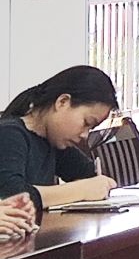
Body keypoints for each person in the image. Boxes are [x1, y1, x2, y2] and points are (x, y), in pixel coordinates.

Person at [1, 65, 118, 219]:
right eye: (86, 123)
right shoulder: (9, 133)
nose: (85, 135)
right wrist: (81, 190)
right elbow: (12, 196)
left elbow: (89, 175)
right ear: (62, 102)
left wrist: (98, 185)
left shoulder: (53, 140)